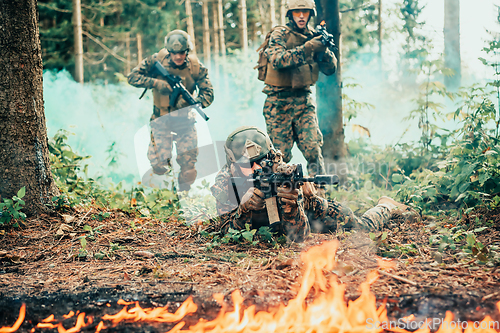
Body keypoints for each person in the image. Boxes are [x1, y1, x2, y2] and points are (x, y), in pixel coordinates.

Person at [211, 126, 418, 242]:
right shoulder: (225, 183)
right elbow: (226, 235)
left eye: (263, 161)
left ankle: (386, 206)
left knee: (362, 227)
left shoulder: (280, 171)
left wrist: (293, 205)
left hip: (311, 210)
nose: (258, 168)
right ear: (233, 165)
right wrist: (243, 210)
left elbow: (299, 237)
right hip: (258, 222)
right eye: (249, 165)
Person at [128, 30, 214, 191]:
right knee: (159, 166)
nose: (178, 57)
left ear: (187, 51)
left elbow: (208, 93)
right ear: (169, 51)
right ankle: (163, 198)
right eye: (174, 53)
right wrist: (156, 83)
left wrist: (194, 102)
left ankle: (182, 196)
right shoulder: (157, 60)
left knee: (189, 169)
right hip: (161, 121)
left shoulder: (195, 67)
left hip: (185, 123)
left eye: (182, 53)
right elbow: (132, 77)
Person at [261, 0, 337, 177]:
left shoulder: (313, 36)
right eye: (297, 12)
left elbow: (330, 69)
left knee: (313, 149)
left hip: (303, 101)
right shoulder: (280, 34)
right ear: (290, 14)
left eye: (305, 12)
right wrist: (308, 48)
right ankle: (281, 198)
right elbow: (278, 60)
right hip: (278, 103)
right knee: (280, 156)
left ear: (310, 14)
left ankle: (320, 196)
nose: (301, 16)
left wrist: (323, 52)